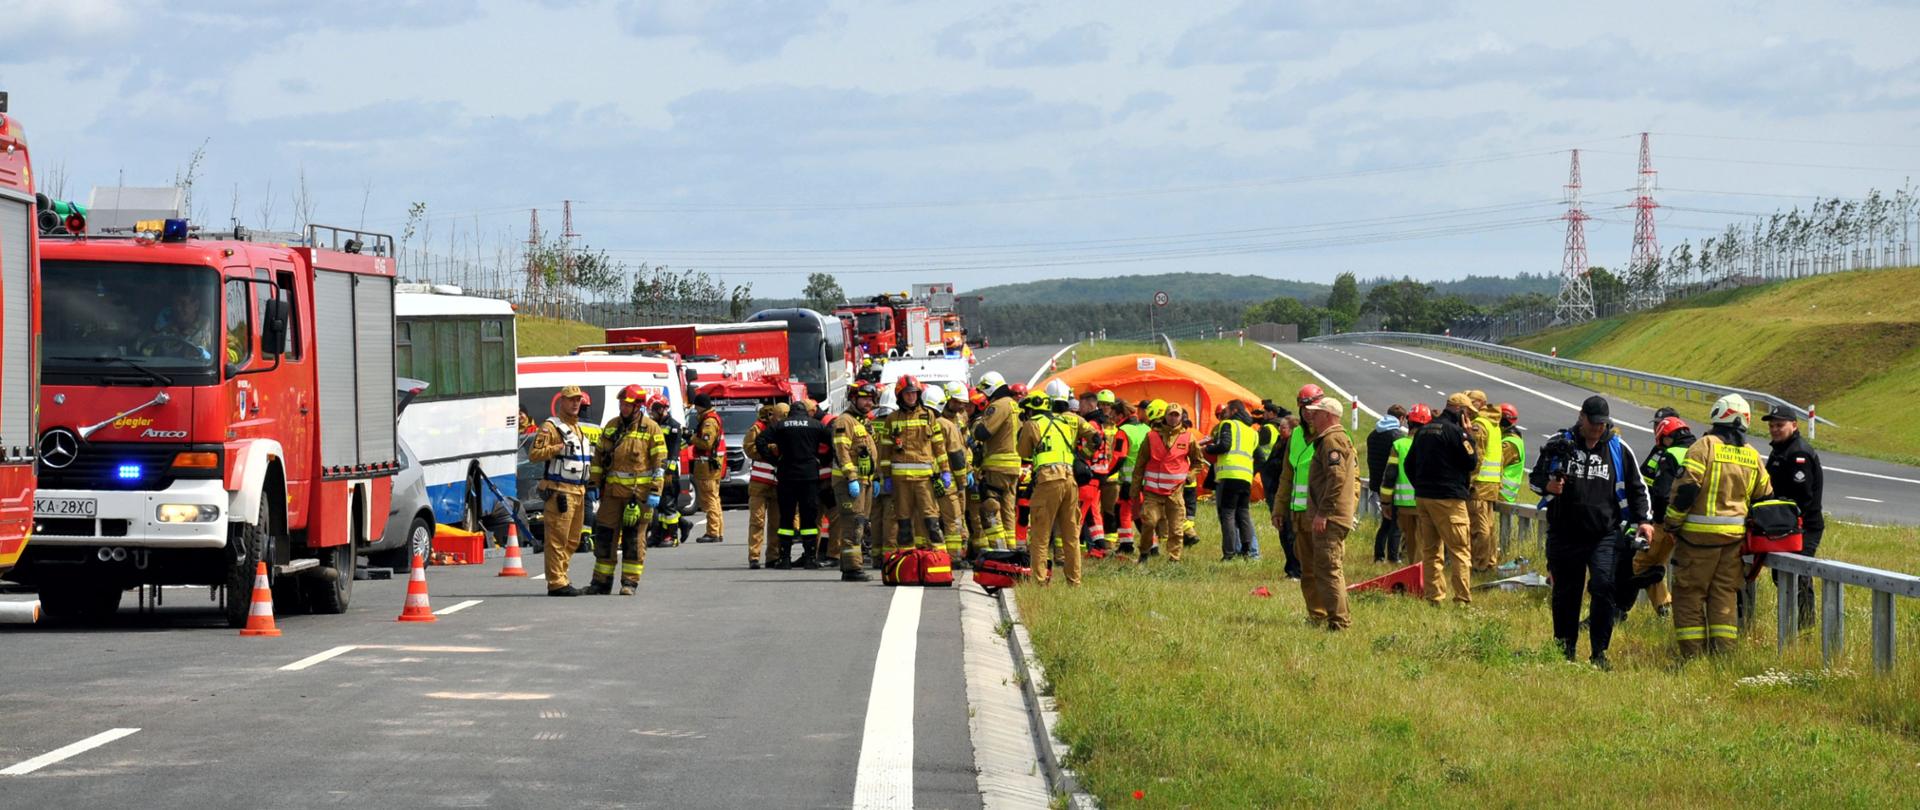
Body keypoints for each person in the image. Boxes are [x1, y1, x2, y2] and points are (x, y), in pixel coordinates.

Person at [1529, 396, 1652, 669]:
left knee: (1603, 587)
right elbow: (1535, 479)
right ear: (1581, 417)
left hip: (1604, 535)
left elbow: (1638, 488)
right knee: (1566, 593)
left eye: (1602, 424)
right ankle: (1564, 649)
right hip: (1565, 534)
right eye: (1593, 423)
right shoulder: (1559, 444)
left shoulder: (1618, 449)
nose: (1598, 429)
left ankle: (1599, 653)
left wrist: (1644, 520)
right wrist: (1548, 486)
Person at [1664, 394, 1773, 658]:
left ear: (1717, 415)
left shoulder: (1705, 447)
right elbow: (1765, 496)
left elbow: (1686, 490)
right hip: (1733, 543)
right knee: (1724, 597)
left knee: (1689, 595)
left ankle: (1693, 658)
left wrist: (1672, 523)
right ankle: (1723, 657)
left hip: (1696, 542)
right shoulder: (1752, 455)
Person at [587, 387, 667, 595]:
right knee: (604, 536)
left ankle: (629, 583)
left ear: (637, 406)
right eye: (621, 404)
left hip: (638, 496)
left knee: (633, 540)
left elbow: (660, 464)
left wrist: (655, 492)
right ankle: (601, 583)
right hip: (612, 495)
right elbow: (598, 457)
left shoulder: (651, 429)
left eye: (627, 404)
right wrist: (594, 484)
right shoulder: (612, 426)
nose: (623, 408)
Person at [1618, 415, 1694, 617]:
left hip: (1667, 522)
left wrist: (1659, 521)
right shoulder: (1700, 450)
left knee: (1641, 565)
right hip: (1699, 524)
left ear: (1667, 438)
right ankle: (1664, 609)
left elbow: (1661, 493)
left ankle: (1621, 609)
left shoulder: (1670, 454)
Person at [1020, 380, 1094, 584]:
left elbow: (1024, 453)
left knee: (1040, 534)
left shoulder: (1033, 424)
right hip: (1070, 480)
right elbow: (1096, 437)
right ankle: (1074, 581)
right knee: (1071, 535)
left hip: (1047, 481)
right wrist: (1082, 457)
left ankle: (1040, 581)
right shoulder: (1069, 422)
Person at [1407, 392, 1478, 605]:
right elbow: (1471, 462)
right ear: (1461, 412)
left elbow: (1409, 464)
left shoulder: (1425, 430)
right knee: (1460, 550)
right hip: (1449, 499)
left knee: (1430, 551)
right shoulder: (1457, 432)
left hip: (1424, 498)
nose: (1471, 420)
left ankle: (1434, 596)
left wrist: (1421, 486)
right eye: (1469, 414)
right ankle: (1462, 598)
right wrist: (1469, 436)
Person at [1762, 403, 1823, 631]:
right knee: (1782, 576)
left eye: (1780, 425)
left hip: (1803, 527)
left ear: (1794, 425)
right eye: (1772, 425)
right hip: (1784, 526)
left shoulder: (1798, 453)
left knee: (1798, 578)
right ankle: (1792, 626)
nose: (1775, 429)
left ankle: (1805, 628)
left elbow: (1802, 500)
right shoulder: (1779, 450)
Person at [528, 385, 592, 596]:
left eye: (578, 400)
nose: (575, 404)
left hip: (579, 491)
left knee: (573, 539)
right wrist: (556, 449)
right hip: (559, 491)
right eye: (571, 400)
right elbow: (534, 454)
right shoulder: (551, 427)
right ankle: (556, 582)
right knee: (557, 539)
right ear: (561, 402)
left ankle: (562, 576)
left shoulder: (578, 428)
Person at [1301, 396, 1358, 630]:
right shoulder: (1331, 439)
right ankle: (1338, 619)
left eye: (1316, 412)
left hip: (1331, 517)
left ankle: (1339, 623)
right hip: (1334, 515)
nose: (1311, 416)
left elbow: (1336, 478)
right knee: (1329, 569)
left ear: (1328, 415)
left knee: (1328, 570)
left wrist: (1323, 513)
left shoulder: (1331, 440)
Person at [878, 376, 951, 556]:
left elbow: (939, 447)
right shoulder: (892, 419)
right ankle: (907, 560)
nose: (911, 397)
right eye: (907, 393)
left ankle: (939, 558)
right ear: (899, 395)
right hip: (900, 481)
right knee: (903, 523)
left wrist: (945, 471)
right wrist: (886, 476)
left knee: (931, 520)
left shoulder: (929, 416)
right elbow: (885, 451)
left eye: (914, 393)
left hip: (924, 480)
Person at [758, 398, 835, 572]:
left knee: (786, 518)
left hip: (787, 477)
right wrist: (823, 460)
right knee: (809, 518)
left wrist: (774, 461)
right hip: (809, 477)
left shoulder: (781, 426)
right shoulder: (815, 425)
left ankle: (784, 559)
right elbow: (833, 441)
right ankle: (810, 559)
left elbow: (760, 441)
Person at [1136, 400, 1203, 563]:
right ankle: (1144, 552)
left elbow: (1198, 462)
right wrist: (1135, 488)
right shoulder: (1151, 436)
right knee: (1149, 523)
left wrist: (1191, 475)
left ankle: (1174, 558)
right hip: (1153, 491)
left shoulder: (1188, 438)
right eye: (1170, 415)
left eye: (1176, 415)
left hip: (1175, 491)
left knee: (1176, 527)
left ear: (1181, 418)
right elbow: (1140, 463)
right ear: (1164, 417)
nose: (1173, 418)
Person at [827, 382, 879, 581]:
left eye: (870, 399)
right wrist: (851, 478)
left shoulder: (863, 422)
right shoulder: (844, 421)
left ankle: (852, 566)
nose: (869, 402)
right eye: (864, 398)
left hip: (865, 482)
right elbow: (842, 453)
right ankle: (851, 569)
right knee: (852, 524)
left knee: (861, 523)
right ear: (854, 399)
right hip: (849, 483)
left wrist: (876, 478)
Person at [1277, 385, 1328, 580]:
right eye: (1304, 409)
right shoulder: (1296, 435)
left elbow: (1348, 479)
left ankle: (1331, 609)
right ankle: (1315, 610)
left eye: (1312, 409)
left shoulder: (1332, 436)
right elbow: (1287, 476)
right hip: (1298, 513)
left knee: (1325, 568)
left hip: (1322, 513)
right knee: (1305, 568)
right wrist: (1279, 509)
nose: (1308, 413)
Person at [971, 371, 1022, 552]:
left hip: (997, 466)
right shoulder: (1015, 406)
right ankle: (1011, 548)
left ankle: (999, 550)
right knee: (1008, 509)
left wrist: (976, 422)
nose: (983, 397)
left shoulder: (999, 406)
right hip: (1014, 466)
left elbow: (982, 433)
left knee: (990, 508)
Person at [1207, 399, 1260, 561]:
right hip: (1245, 477)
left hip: (1228, 474)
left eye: (1226, 411)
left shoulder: (1228, 425)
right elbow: (1260, 457)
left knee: (1227, 514)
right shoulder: (1252, 432)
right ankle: (1247, 550)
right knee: (1243, 513)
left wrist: (1208, 448)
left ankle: (1229, 553)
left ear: (1234, 411)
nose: (1224, 415)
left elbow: (1224, 446)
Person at [925, 384, 972, 563]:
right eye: (957, 402)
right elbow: (956, 455)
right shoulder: (946, 425)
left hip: (926, 479)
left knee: (930, 517)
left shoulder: (922, 422)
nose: (961, 407)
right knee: (954, 518)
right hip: (948, 479)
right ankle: (954, 557)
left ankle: (931, 554)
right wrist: (962, 481)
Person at [1382, 404, 1430, 573]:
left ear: (1408, 422)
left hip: (1403, 504)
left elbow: (1389, 475)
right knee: (1426, 544)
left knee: (1410, 544)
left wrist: (1385, 502)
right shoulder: (1430, 444)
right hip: (1425, 503)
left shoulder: (1399, 445)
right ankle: (1424, 578)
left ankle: (1414, 574)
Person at [742, 401, 787, 569]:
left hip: (777, 483)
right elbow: (749, 449)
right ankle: (754, 557)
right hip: (759, 483)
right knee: (757, 521)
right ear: (772, 416)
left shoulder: (785, 430)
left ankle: (772, 557)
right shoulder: (758, 429)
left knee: (776, 523)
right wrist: (770, 449)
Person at [1466, 390, 1505, 571]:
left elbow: (1477, 456)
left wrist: (1469, 481)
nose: (1467, 406)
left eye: (1471, 402)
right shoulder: (1494, 424)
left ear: (1480, 403)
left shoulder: (1479, 425)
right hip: (1491, 484)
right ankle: (1490, 561)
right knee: (1489, 526)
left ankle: (1479, 564)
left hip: (1479, 485)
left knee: (1479, 528)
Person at [1366, 405, 1408, 563]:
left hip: (1376, 483)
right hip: (1390, 484)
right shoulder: (1396, 436)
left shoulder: (1373, 434)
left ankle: (1378, 555)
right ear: (1401, 419)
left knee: (1385, 521)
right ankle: (1393, 557)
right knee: (1395, 523)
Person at [1108, 398, 1149, 556]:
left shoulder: (1123, 432)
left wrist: (1106, 473)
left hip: (1130, 480)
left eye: (1113, 415)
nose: (1112, 418)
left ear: (1120, 415)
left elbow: (1119, 457)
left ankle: (1127, 544)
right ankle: (1150, 544)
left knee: (1124, 511)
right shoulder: (1145, 428)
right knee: (1141, 513)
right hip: (1147, 479)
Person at [689, 392, 726, 544]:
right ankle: (717, 531)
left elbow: (706, 443)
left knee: (710, 499)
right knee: (715, 499)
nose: (695, 408)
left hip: (707, 466)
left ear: (700, 406)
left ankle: (712, 532)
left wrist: (691, 437)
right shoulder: (710, 419)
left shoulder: (708, 422)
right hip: (712, 465)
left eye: (696, 406)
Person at [1498, 403, 1526, 507]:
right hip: (1503, 492)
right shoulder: (1510, 438)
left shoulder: (1509, 444)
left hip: (1501, 492)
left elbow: (1496, 463)